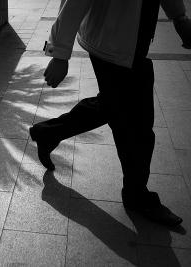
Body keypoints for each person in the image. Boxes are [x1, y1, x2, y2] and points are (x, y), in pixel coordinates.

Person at [29, 0, 185, 227]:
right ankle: (137, 195)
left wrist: (179, 16)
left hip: (134, 41)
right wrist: (59, 54)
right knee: (137, 126)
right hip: (111, 44)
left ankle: (47, 133)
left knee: (113, 106)